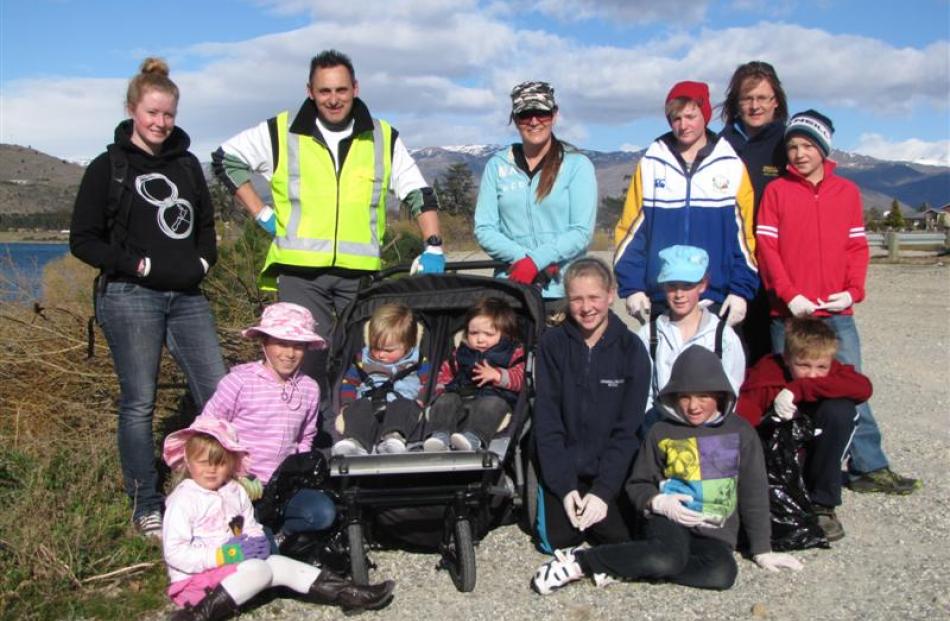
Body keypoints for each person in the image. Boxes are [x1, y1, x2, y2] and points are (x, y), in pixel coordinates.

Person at [212, 49, 444, 387]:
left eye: (341, 90)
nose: (333, 99)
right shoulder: (282, 130)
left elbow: (418, 192)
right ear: (310, 91)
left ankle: (355, 432)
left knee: (368, 360)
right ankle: (311, 437)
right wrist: (261, 212)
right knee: (307, 365)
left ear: (355, 88)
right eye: (324, 91)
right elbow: (225, 159)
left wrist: (433, 245)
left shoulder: (382, 137)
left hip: (359, 274)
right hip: (299, 271)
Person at [70, 57, 226, 538]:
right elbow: (84, 239)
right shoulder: (108, 167)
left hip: (187, 297)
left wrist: (202, 262)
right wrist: (135, 264)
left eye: (169, 115)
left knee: (218, 393)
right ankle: (146, 502)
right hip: (130, 297)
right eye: (152, 113)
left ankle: (225, 487)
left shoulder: (186, 166)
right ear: (132, 109)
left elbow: (203, 227)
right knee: (139, 402)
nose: (160, 123)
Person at [532, 346, 803, 595]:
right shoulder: (662, 431)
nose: (693, 406)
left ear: (720, 395)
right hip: (668, 520)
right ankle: (582, 562)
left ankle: (627, 565)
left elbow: (753, 491)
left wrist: (762, 549)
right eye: (684, 397)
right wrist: (658, 502)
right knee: (666, 558)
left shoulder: (741, 432)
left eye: (703, 396)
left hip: (713, 529)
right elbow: (638, 484)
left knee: (722, 574)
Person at [756, 110, 921, 495]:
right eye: (792, 146)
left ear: (823, 148)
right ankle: (787, 469)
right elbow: (768, 248)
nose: (798, 153)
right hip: (790, 314)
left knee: (850, 386)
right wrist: (789, 294)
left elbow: (856, 246)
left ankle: (868, 466)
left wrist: (853, 290)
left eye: (807, 145)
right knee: (788, 392)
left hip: (837, 313)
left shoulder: (846, 193)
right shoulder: (777, 192)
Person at [161, 417, 394, 620]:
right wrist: (221, 555)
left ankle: (351, 593)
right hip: (197, 579)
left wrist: (256, 541)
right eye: (203, 463)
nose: (211, 470)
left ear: (231, 463)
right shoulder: (183, 499)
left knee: (277, 564)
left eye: (219, 463)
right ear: (189, 464)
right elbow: (175, 552)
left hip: (234, 566)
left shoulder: (235, 491)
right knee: (260, 570)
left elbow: (249, 526)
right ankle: (197, 615)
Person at [613, 81, 757, 328]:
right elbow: (631, 231)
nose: (683, 125)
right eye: (676, 118)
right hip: (664, 296)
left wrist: (741, 290)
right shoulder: (652, 163)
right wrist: (633, 286)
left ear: (705, 116)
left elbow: (745, 240)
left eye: (691, 116)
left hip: (716, 298)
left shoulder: (731, 165)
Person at [533, 257, 650, 553]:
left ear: (610, 295)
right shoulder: (552, 344)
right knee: (556, 542)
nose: (587, 308)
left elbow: (628, 430)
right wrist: (563, 486)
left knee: (619, 539)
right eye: (577, 299)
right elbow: (547, 422)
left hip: (610, 469)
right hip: (567, 468)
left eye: (594, 297)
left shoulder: (631, 349)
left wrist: (603, 491)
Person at [195, 302, 336, 547]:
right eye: (282, 343)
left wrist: (300, 473)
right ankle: (261, 539)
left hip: (284, 484)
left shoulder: (309, 388)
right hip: (239, 484)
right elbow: (208, 431)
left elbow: (305, 437)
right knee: (253, 542)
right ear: (264, 342)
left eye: (298, 346)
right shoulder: (238, 382)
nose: (290, 354)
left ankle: (280, 533)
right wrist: (231, 475)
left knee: (323, 514)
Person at [737, 317, 871, 541]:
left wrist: (800, 388)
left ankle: (822, 503)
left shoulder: (835, 372)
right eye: (804, 365)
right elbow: (744, 418)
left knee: (840, 411)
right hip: (775, 460)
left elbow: (864, 387)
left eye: (821, 367)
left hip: (817, 454)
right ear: (787, 358)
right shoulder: (767, 374)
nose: (813, 373)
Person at [474, 81, 597, 311]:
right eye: (525, 114)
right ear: (515, 118)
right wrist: (525, 261)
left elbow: (581, 231)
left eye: (541, 113)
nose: (533, 121)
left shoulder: (577, 165)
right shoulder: (496, 166)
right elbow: (484, 228)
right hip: (512, 288)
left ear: (554, 114)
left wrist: (537, 260)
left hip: (564, 292)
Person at [719, 60, 790, 366]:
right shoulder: (720, 145)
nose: (755, 106)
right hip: (730, 263)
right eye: (747, 98)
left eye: (762, 98)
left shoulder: (789, 144)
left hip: (775, 265)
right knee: (731, 350)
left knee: (773, 354)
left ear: (776, 101)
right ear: (736, 103)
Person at [639, 245, 745, 430]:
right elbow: (643, 393)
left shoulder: (723, 336)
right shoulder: (649, 335)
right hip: (662, 433)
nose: (679, 294)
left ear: (703, 284)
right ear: (663, 286)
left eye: (688, 286)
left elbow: (731, 393)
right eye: (672, 286)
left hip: (710, 437)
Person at [424, 297, 525, 452]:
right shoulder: (461, 352)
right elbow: (447, 371)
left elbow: (521, 377)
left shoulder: (512, 352)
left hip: (494, 397)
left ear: (505, 334)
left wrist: (498, 375)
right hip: (462, 395)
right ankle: (440, 435)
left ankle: (473, 438)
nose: (480, 339)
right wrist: (441, 389)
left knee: (492, 404)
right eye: (473, 333)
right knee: (446, 400)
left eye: (488, 334)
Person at [332, 303, 431, 456]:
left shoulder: (418, 361)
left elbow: (428, 383)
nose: (380, 354)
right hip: (369, 402)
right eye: (375, 348)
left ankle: (392, 438)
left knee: (406, 406)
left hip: (401, 403)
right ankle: (356, 442)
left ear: (408, 345)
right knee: (358, 408)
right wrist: (347, 404)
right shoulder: (362, 359)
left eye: (388, 350)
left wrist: (421, 399)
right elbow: (349, 383)